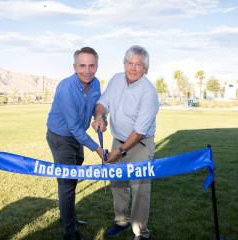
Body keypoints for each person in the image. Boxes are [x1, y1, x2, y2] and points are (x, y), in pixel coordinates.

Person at [92, 45, 159, 240]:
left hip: (140, 145)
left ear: (145, 68)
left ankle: (141, 232)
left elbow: (139, 132)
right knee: (118, 183)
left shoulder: (149, 92)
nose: (133, 68)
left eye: (138, 64)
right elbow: (103, 103)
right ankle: (121, 221)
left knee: (140, 189)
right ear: (124, 63)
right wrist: (99, 117)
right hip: (118, 140)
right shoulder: (116, 80)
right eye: (130, 63)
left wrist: (119, 151)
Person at [46, 47, 104, 240]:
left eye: (91, 65)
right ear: (74, 66)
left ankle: (69, 217)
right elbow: (74, 128)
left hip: (77, 137)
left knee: (73, 178)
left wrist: (99, 117)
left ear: (96, 66)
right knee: (67, 182)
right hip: (60, 137)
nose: (87, 70)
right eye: (82, 66)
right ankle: (69, 232)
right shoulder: (65, 89)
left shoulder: (95, 83)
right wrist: (97, 149)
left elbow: (98, 105)